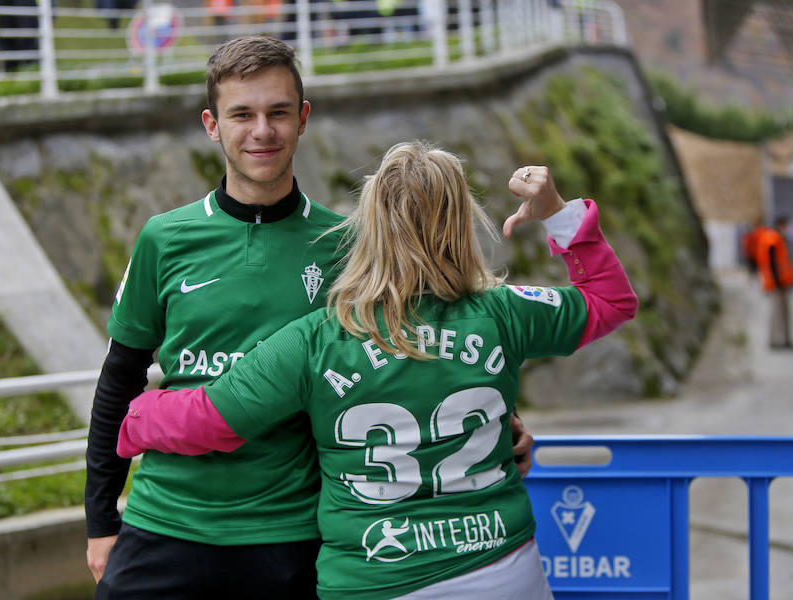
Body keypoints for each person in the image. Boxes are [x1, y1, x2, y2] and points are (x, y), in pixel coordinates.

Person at [85, 36, 534, 599]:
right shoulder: (164, 237)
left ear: (303, 120)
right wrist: (101, 521)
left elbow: (427, 344)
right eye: (241, 114)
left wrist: (501, 421)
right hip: (167, 521)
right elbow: (119, 379)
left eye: (277, 113)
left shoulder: (347, 244)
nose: (261, 131)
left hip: (293, 533)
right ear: (211, 124)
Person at [115, 141, 639, 599]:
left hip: (373, 576)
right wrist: (557, 212)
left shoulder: (319, 339)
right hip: (502, 565)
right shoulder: (506, 312)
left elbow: (208, 420)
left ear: (370, 226)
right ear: (461, 222)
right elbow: (612, 301)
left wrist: (138, 413)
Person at [756, 215, 793, 350]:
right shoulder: (773, 238)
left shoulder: (774, 237)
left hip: (779, 282)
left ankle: (783, 339)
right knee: (777, 312)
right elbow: (772, 261)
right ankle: (776, 340)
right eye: (786, 225)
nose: (787, 229)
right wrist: (777, 280)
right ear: (781, 225)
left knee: (781, 311)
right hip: (777, 283)